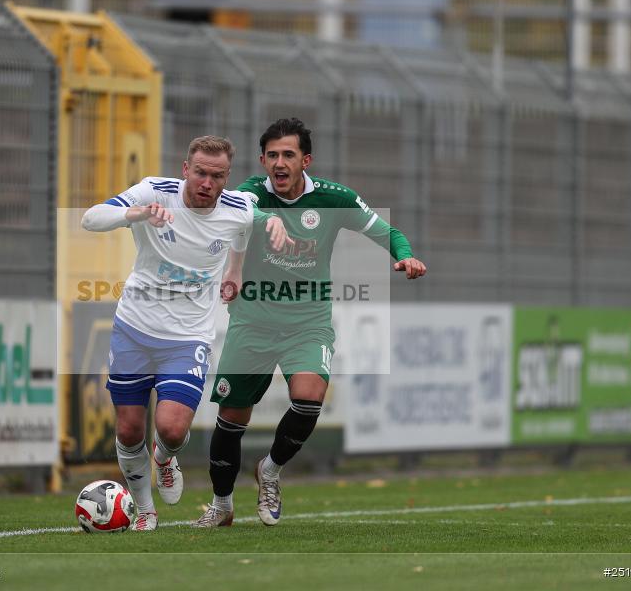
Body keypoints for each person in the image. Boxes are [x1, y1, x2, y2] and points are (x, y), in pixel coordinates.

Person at [194, 118, 427, 528]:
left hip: (308, 320)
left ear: (306, 160)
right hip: (253, 319)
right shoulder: (248, 193)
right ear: (262, 160)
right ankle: (222, 504)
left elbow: (386, 231)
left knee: (309, 397)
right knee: (232, 419)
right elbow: (232, 218)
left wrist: (404, 254)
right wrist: (268, 222)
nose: (279, 163)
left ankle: (269, 470)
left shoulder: (334, 199)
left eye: (288, 155)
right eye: (272, 156)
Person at [81, 135, 291, 531]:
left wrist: (235, 269)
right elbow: (89, 219)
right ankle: (144, 510)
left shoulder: (238, 209)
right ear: (185, 169)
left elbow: (250, 224)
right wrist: (136, 213)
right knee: (128, 429)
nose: (206, 183)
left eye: (216, 176)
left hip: (188, 336)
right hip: (134, 329)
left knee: (172, 429)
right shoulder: (153, 192)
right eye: (200, 173)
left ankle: (164, 457)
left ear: (227, 177)